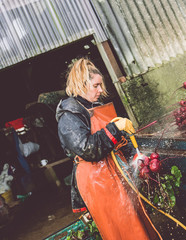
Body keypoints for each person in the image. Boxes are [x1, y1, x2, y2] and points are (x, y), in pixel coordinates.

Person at [56, 58, 160, 239]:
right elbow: (87, 149)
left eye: (101, 85)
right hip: (97, 180)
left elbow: (115, 141)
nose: (101, 90)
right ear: (81, 84)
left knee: (135, 219)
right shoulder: (69, 116)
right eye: (96, 86)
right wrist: (114, 128)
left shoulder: (96, 107)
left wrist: (134, 156)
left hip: (115, 172)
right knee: (120, 226)